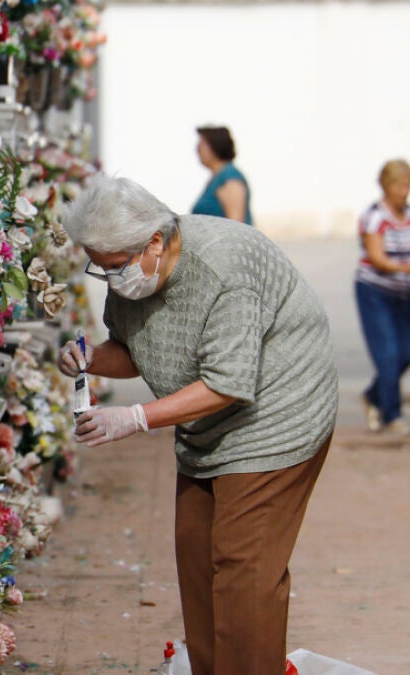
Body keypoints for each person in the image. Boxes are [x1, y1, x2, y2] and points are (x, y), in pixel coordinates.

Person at [58, 175, 337, 675]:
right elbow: (138, 350)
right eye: (99, 267)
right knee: (197, 557)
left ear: (155, 242)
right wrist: (92, 358)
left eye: (115, 265)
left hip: (276, 415)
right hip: (205, 426)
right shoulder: (133, 273)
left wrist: (135, 418)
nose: (111, 279)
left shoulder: (224, 266)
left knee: (244, 566)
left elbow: (227, 383)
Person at [355, 159, 410, 435]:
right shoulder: (375, 217)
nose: (404, 192)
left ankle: (373, 396)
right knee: (388, 354)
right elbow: (377, 258)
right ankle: (392, 414)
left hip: (405, 294)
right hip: (375, 293)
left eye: (408, 186)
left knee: (407, 351)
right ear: (386, 186)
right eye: (399, 186)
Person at [191, 126, 252, 225]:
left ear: (215, 145)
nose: (197, 150)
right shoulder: (215, 179)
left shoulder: (230, 176)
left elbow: (236, 223)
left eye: (201, 145)